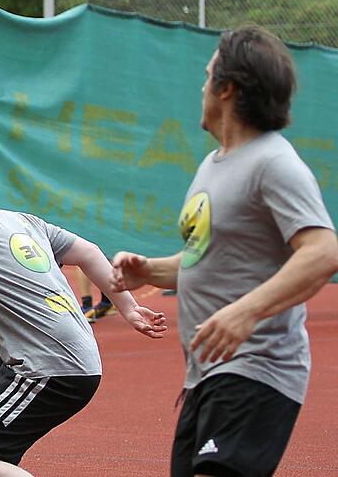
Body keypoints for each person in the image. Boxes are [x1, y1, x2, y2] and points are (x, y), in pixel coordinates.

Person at [111, 24, 338, 477]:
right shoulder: (212, 165)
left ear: (227, 88)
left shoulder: (274, 162)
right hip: (206, 375)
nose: (201, 87)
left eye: (207, 75)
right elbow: (208, 258)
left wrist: (246, 312)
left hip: (257, 369)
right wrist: (150, 270)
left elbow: (322, 251)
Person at [0, 144, 167, 477]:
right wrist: (129, 308)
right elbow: (89, 252)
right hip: (57, 356)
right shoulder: (24, 221)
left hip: (48, 366)